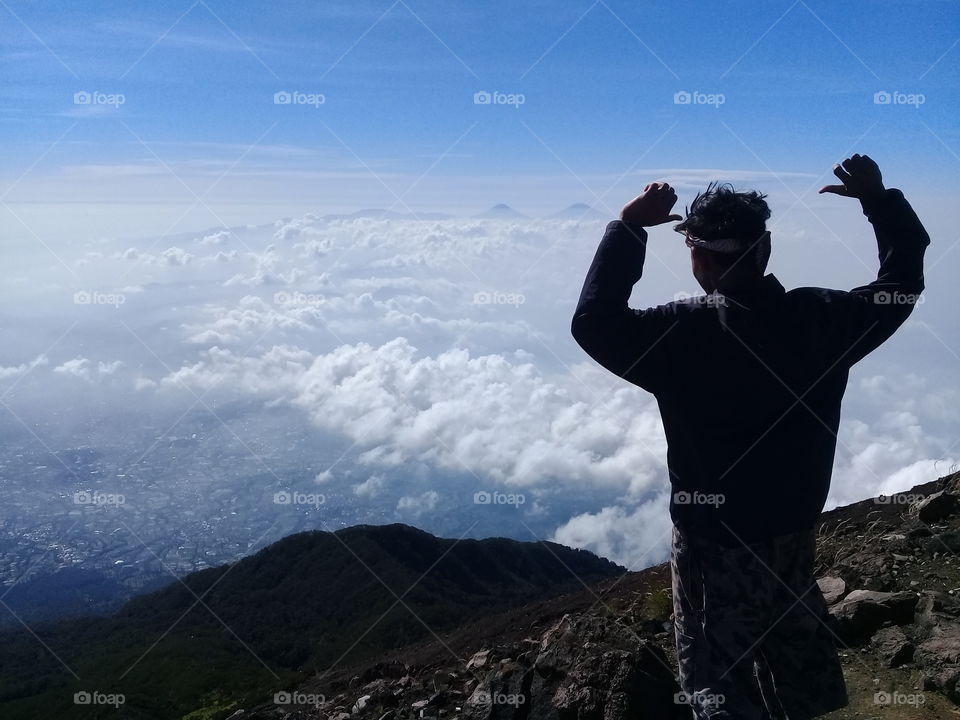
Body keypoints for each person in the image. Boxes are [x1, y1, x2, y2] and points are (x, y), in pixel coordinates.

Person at [570, 155, 930, 719]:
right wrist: (877, 199)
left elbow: (594, 320)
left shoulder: (682, 334)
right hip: (792, 532)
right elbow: (902, 280)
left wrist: (629, 226)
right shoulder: (823, 319)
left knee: (719, 682)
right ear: (764, 250)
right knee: (795, 666)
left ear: (697, 258)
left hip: (714, 544)